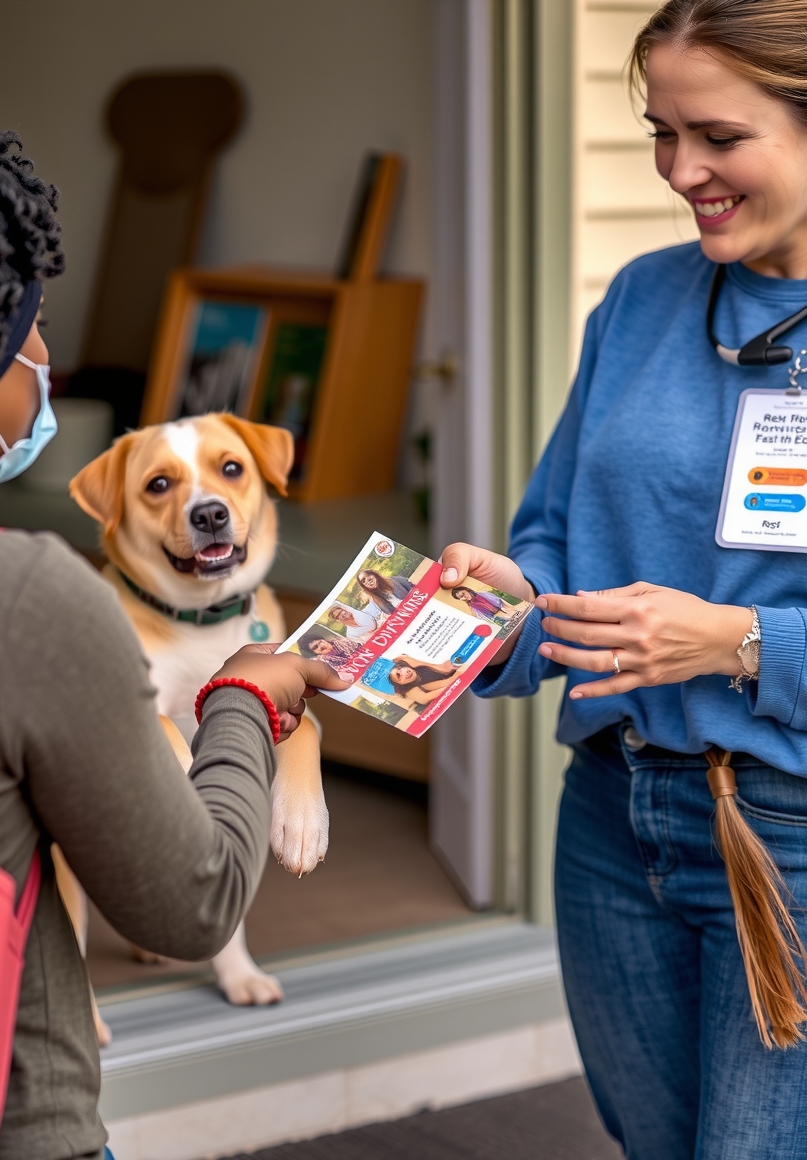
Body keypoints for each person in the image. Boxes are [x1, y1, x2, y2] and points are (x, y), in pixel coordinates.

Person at [0, 121, 347, 1160]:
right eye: (34, 325)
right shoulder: (17, 596)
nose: (45, 358)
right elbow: (188, 900)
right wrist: (250, 696)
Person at [441, 3, 807, 1155]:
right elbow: (553, 538)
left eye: (716, 136)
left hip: (784, 837)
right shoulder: (643, 299)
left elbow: (726, 632)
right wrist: (497, 597)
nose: (679, 170)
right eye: (659, 132)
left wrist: (737, 640)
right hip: (611, 813)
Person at [386, 656, 458, 706]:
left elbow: (445, 667)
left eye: (400, 668)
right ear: (400, 684)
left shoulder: (417, 665)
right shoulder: (412, 691)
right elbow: (425, 699)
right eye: (399, 676)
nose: (405, 672)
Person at [450, 584, 521, 623]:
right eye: (461, 597)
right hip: (500, 619)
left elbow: (500, 601)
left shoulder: (483, 594)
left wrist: (511, 609)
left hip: (507, 610)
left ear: (466, 590)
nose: (464, 597)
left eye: (463, 593)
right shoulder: (473, 608)